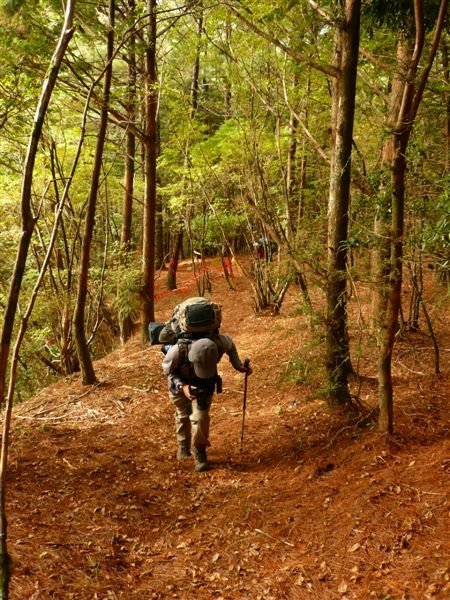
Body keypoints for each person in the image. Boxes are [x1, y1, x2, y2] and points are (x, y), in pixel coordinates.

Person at [162, 334, 252, 473]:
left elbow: (231, 347)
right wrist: (182, 386)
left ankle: (199, 451)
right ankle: (183, 445)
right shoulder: (177, 351)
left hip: (205, 384)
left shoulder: (218, 343)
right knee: (183, 414)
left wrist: (239, 366)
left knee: (200, 417)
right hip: (179, 383)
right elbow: (168, 372)